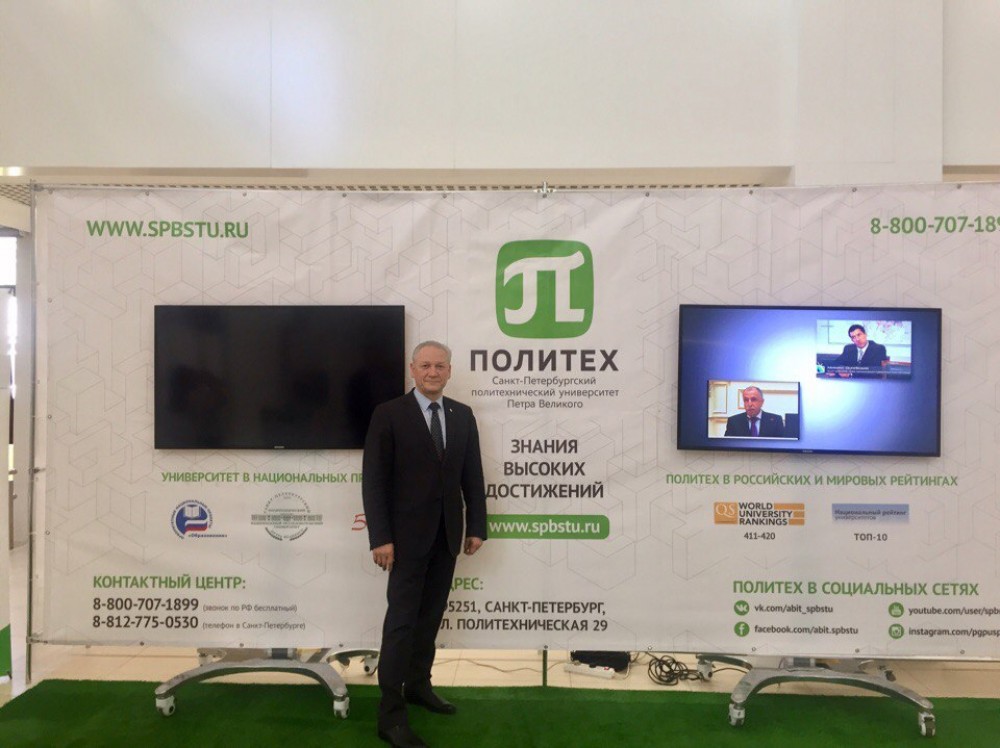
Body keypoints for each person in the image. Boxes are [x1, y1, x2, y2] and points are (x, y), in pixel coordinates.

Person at [363, 340, 487, 748]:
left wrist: (477, 526)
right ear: (412, 369)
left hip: (447, 536)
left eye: (440, 366)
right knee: (401, 624)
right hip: (403, 541)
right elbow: (374, 481)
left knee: (430, 619)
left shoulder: (462, 415)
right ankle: (390, 715)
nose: (433, 372)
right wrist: (381, 537)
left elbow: (472, 475)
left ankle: (418, 687)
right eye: (426, 366)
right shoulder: (388, 414)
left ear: (450, 371)